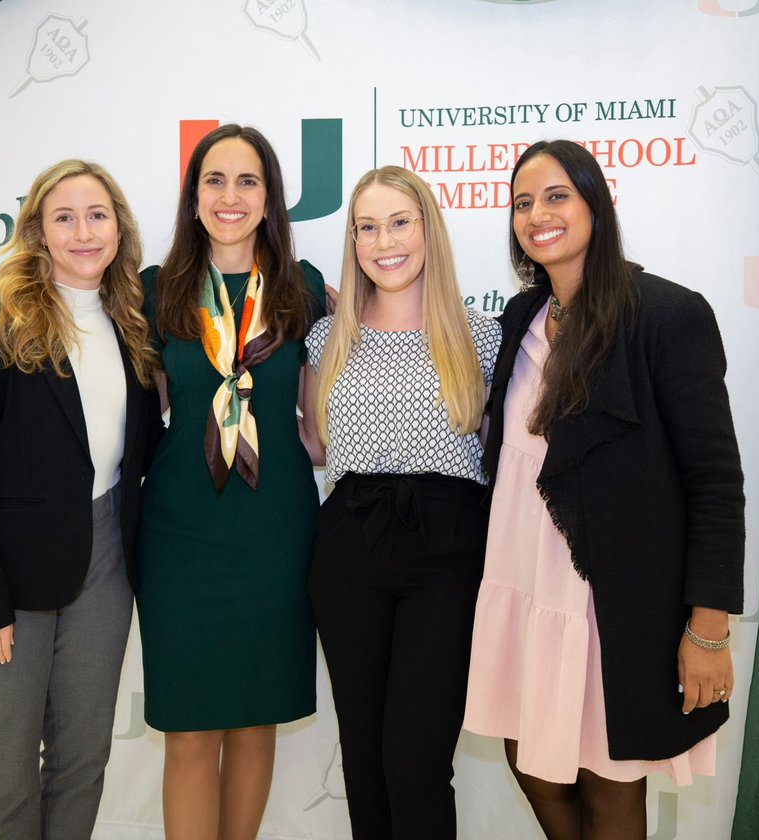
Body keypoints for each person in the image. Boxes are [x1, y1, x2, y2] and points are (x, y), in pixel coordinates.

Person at [464, 140, 745, 839]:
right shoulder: (517, 323)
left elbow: (714, 481)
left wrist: (707, 629)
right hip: (520, 583)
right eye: (523, 203)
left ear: (596, 204)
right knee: (530, 759)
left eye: (557, 195)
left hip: (608, 600)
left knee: (609, 779)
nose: (537, 215)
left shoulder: (665, 316)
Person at [0, 160, 161, 840]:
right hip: (10, 576)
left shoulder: (132, 326)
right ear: (36, 231)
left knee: (82, 759)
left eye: (98, 215)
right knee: (7, 768)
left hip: (107, 564)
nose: (84, 231)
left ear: (119, 227)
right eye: (64, 217)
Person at [136, 124, 326, 840]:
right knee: (188, 730)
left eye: (248, 181)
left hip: (274, 531)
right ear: (192, 199)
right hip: (181, 533)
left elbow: (328, 395)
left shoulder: (304, 289)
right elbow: (137, 411)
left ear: (271, 199)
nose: (230, 196)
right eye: (214, 180)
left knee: (254, 720)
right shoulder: (156, 292)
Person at [303, 166, 501, 840]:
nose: (383, 240)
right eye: (367, 226)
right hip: (348, 548)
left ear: (427, 230)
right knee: (364, 758)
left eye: (398, 222)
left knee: (414, 759)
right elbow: (310, 443)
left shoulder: (482, 336)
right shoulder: (325, 339)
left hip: (447, 550)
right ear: (353, 240)